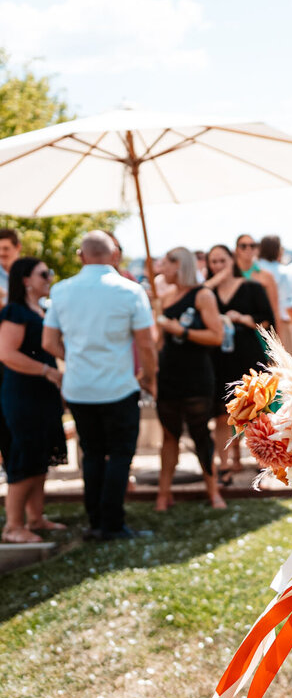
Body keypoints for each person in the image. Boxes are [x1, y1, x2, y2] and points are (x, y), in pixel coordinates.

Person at [42, 231, 155, 540]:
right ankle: (113, 523)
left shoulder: (61, 290)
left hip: (79, 387)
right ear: (114, 256)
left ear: (81, 256)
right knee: (120, 454)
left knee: (91, 454)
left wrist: (74, 357)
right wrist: (149, 376)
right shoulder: (130, 291)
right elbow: (147, 343)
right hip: (118, 385)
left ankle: (95, 521)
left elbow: (48, 342)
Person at [153, 247, 226, 512]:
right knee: (169, 436)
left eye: (165, 264)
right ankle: (163, 494)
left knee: (200, 435)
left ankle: (213, 491)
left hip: (196, 375)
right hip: (169, 375)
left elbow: (216, 336)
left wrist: (181, 331)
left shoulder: (203, 295)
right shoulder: (166, 297)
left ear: (178, 265)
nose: (161, 269)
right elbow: (160, 342)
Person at [0, 258, 67, 543]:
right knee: (24, 457)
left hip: (43, 393)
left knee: (40, 456)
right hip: (22, 394)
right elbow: (6, 353)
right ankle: (13, 527)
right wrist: (47, 370)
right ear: (26, 279)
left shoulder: (41, 310)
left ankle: (36, 518)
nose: (49, 277)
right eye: (44, 273)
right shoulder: (14, 312)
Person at [204, 244, 275, 485]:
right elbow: (193, 305)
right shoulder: (207, 292)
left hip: (248, 355)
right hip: (217, 357)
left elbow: (268, 318)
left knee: (255, 411)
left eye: (222, 261)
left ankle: (261, 462)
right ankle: (225, 464)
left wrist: (244, 319)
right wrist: (213, 284)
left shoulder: (251, 287)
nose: (218, 266)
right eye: (213, 262)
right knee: (221, 412)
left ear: (232, 260)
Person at [258, 235, 292, 356]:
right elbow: (288, 304)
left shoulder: (254, 269)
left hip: (255, 323)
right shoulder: (282, 272)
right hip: (280, 325)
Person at [0, 227, 21, 476]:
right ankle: (11, 467)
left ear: (17, 248)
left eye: (5, 249)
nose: (1, 255)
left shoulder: (28, 273)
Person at [232, 234, 281, 325]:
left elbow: (275, 311)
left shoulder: (266, 276)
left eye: (252, 245)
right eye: (243, 246)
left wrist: (277, 338)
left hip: (260, 329)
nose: (248, 249)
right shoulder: (230, 275)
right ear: (236, 249)